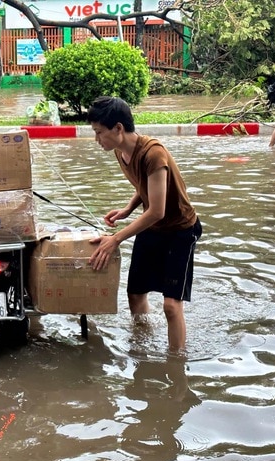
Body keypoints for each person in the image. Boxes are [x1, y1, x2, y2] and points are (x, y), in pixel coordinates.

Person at [86, 96, 202, 354]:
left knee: (171, 305)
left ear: (118, 128)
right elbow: (146, 186)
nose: (97, 140)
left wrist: (115, 239)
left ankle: (176, 361)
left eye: (99, 133)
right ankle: (143, 348)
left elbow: (158, 211)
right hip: (153, 227)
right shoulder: (120, 151)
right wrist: (128, 208)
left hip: (180, 229)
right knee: (136, 294)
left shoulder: (153, 153)